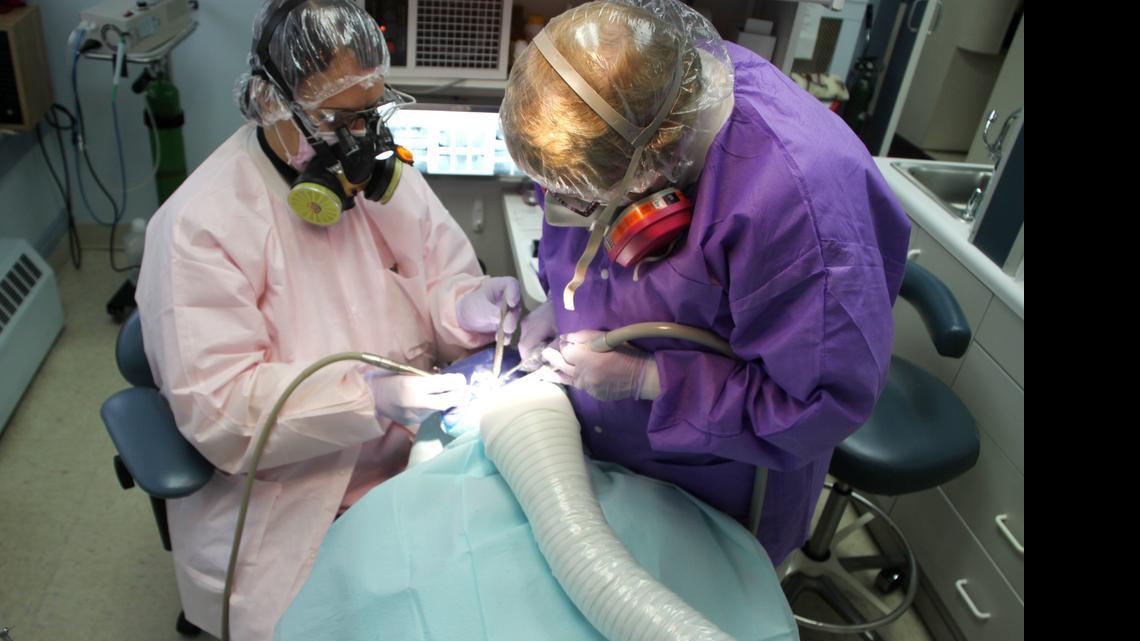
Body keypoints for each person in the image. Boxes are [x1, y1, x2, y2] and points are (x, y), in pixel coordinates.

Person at [135, 1, 519, 638]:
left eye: (370, 113)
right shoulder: (199, 227)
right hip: (295, 497)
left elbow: (440, 277)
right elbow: (222, 408)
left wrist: (468, 307)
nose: (361, 140)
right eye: (338, 118)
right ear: (268, 100)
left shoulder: (378, 182)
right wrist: (373, 398)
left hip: (414, 461)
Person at [500, 0, 910, 568]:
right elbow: (585, 207)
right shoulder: (633, 95)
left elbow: (815, 406)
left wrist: (650, 379)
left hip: (716, 485)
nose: (566, 211)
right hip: (607, 452)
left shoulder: (798, 207)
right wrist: (557, 302)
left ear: (658, 162)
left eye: (584, 201)